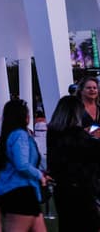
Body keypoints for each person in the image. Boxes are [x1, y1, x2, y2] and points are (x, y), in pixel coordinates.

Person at [47, 95, 100, 232]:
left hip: (62, 188)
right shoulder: (78, 137)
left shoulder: (53, 133)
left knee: (67, 225)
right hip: (82, 189)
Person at [0, 99, 48, 232]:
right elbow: (22, 165)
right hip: (20, 192)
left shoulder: (9, 135)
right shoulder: (20, 135)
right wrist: (39, 175)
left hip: (20, 191)